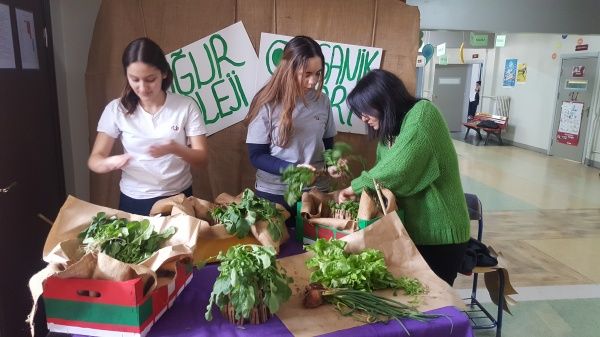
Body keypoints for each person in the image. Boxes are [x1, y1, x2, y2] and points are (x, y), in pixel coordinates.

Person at [338, 69, 470, 286]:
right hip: (411, 233)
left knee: (431, 307)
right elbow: (385, 178)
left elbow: (399, 169)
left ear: (384, 100)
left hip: (439, 237)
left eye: (365, 111)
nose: (363, 118)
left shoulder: (423, 115)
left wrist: (357, 186)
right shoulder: (389, 132)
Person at [88, 37, 208, 215]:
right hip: (134, 199)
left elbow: (202, 159)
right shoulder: (116, 109)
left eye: (150, 79)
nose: (142, 88)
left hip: (178, 198)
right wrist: (108, 163)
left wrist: (175, 148)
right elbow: (94, 160)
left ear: (164, 73)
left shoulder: (186, 106)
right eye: (134, 79)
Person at [245, 36, 336, 224]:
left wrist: (332, 163)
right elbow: (256, 155)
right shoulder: (267, 102)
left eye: (318, 73)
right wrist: (293, 170)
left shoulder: (323, 101)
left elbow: (327, 144)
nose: (313, 81)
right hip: (275, 193)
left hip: (316, 192)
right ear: (289, 70)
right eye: (307, 74)